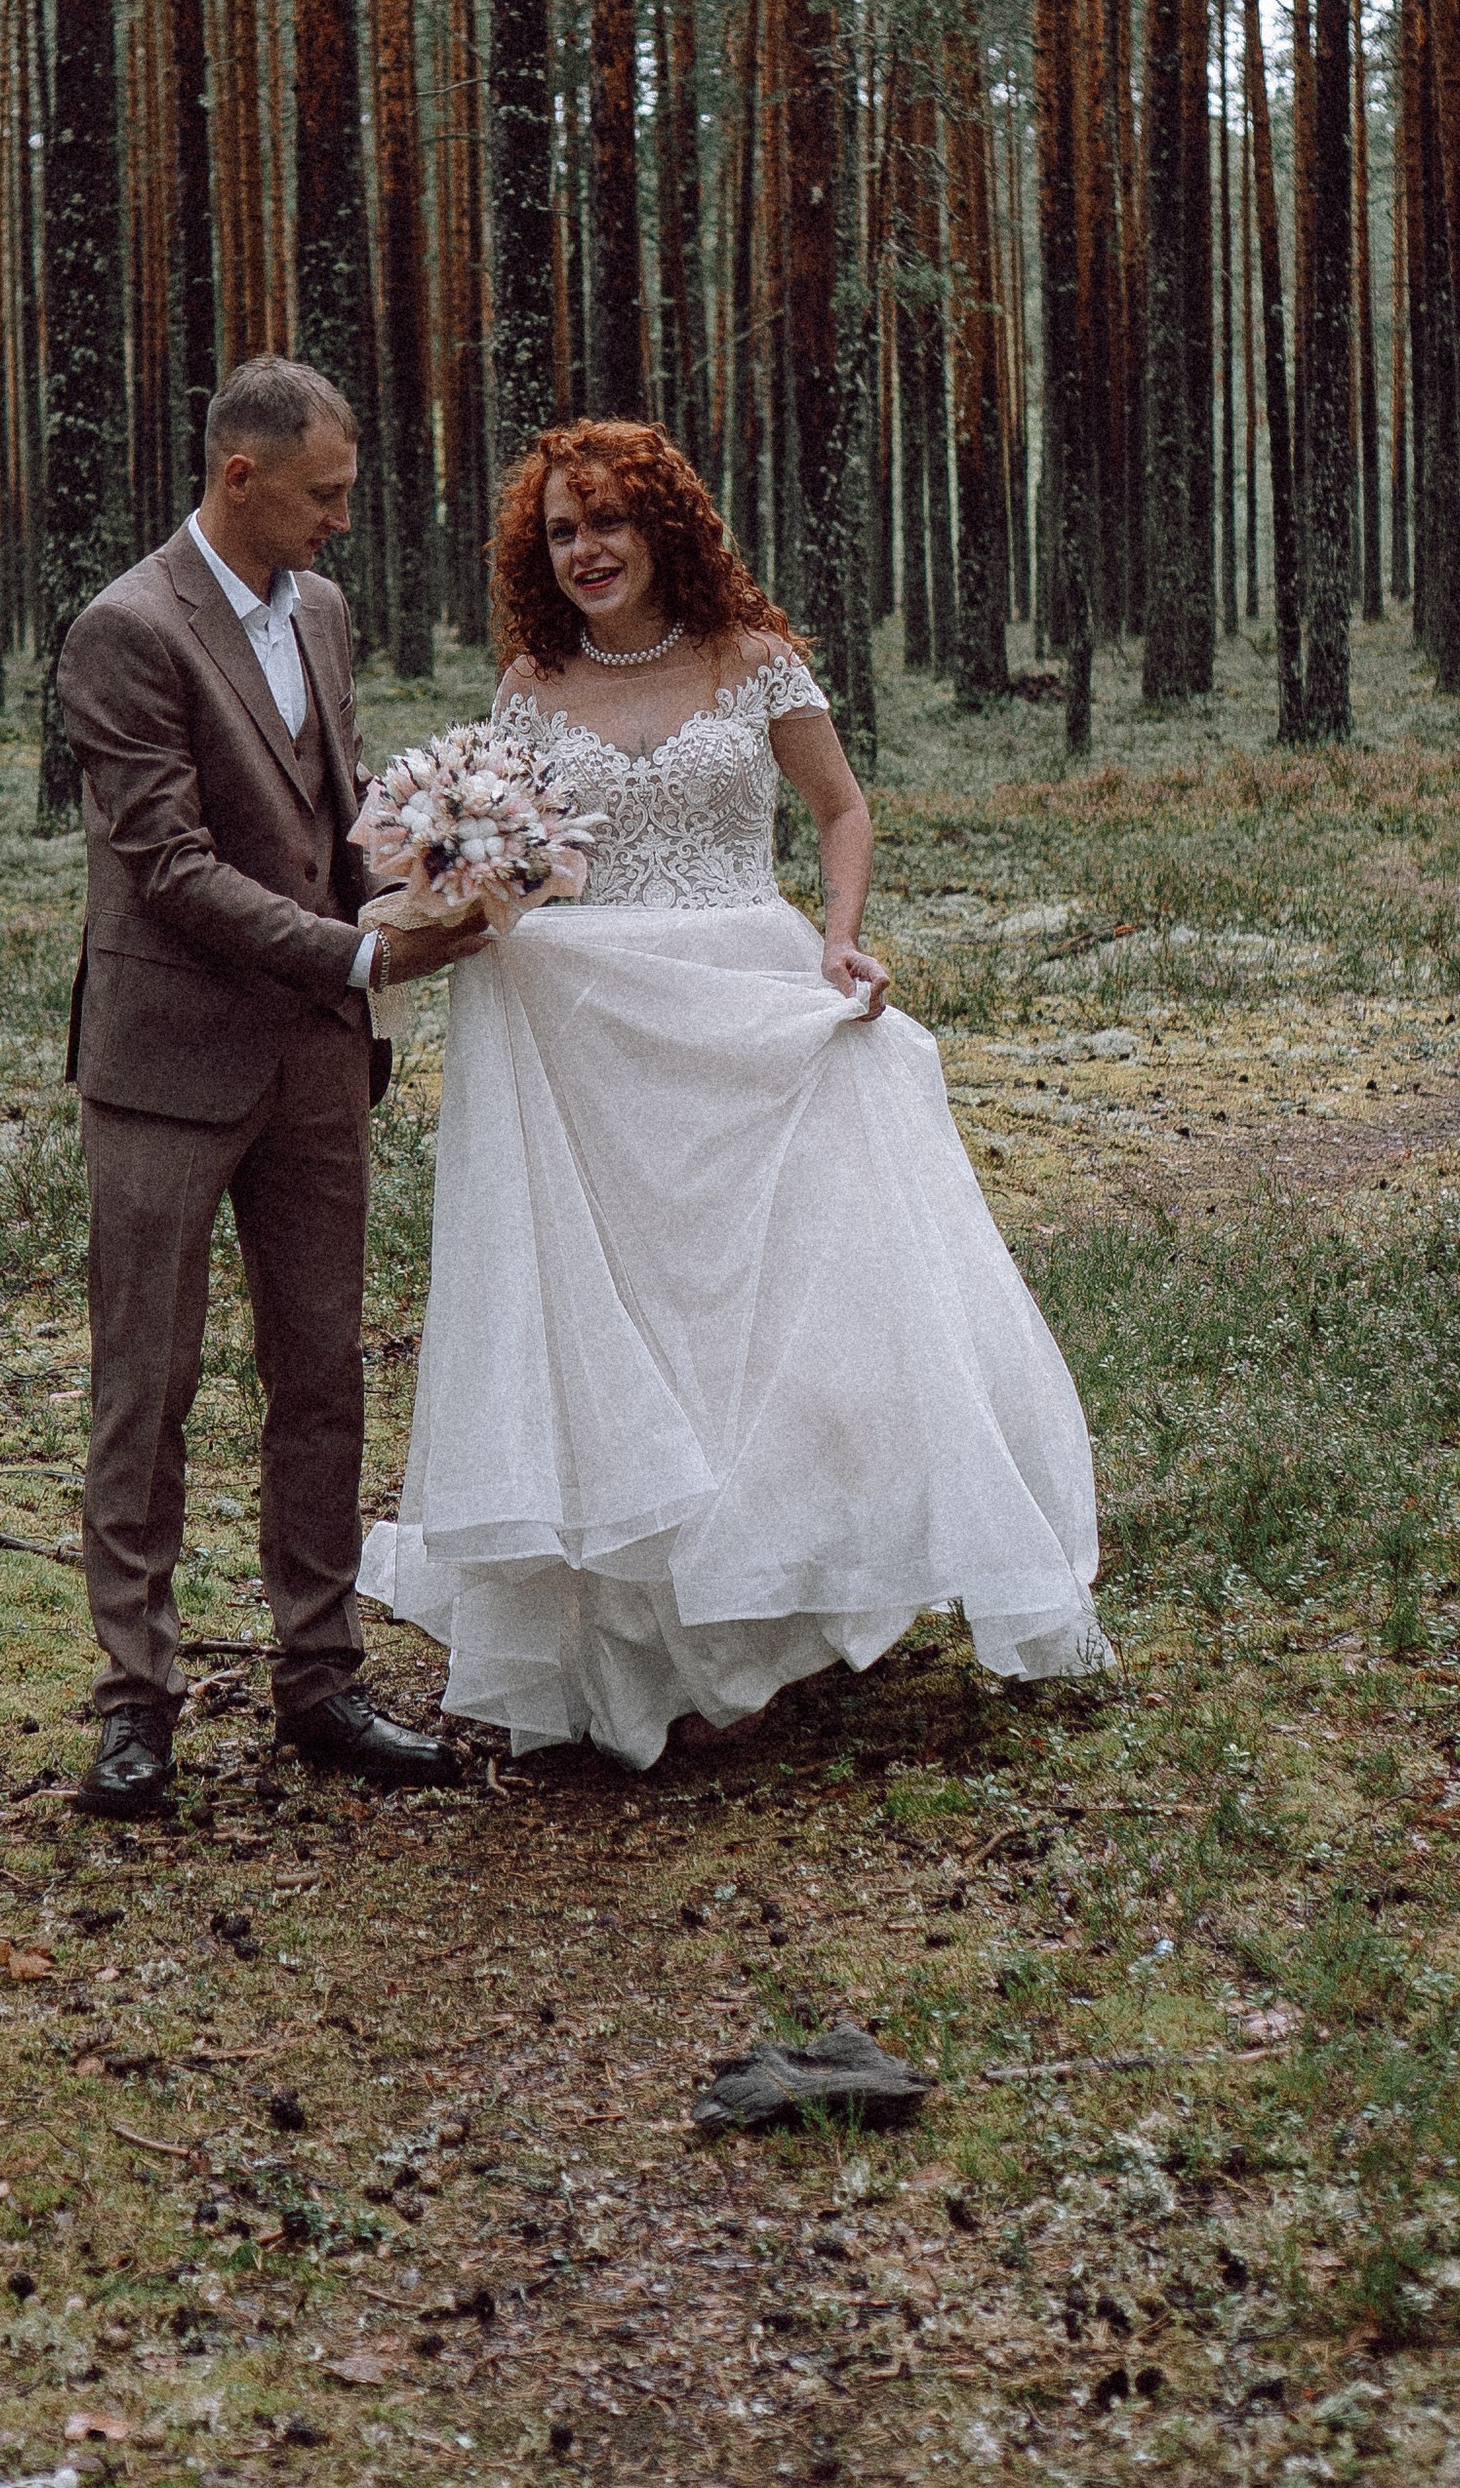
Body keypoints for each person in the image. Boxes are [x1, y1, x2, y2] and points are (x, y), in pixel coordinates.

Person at [360, 418, 1106, 1769]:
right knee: (624, 1325)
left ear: (665, 527)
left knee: (786, 1318)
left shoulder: (757, 665)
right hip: (592, 1030)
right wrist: (449, 884)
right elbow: (518, 869)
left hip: (752, 1001)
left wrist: (838, 934)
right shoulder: (529, 689)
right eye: (562, 532)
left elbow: (841, 810)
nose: (586, 551)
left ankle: (778, 1606)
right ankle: (646, 1636)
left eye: (608, 522)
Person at [56, 355, 488, 1820]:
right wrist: (362, 961)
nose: (340, 523)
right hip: (172, 1064)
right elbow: (166, 870)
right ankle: (137, 1704)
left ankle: (323, 1676)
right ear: (240, 478)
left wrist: (444, 869)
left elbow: (330, 813)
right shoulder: (124, 631)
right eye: (323, 495)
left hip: (312, 1061)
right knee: (148, 1387)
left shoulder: (323, 611)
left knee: (320, 1378)